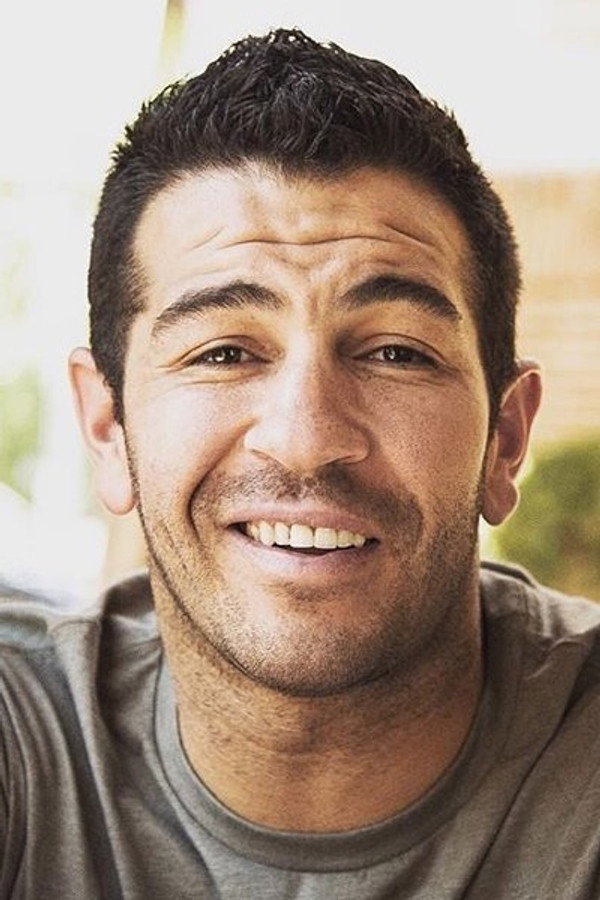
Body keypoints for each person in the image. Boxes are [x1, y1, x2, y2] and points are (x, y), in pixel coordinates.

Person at [1, 27, 599, 900]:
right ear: (108, 427)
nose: (306, 438)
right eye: (223, 352)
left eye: (396, 353)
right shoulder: (23, 738)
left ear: (504, 439)